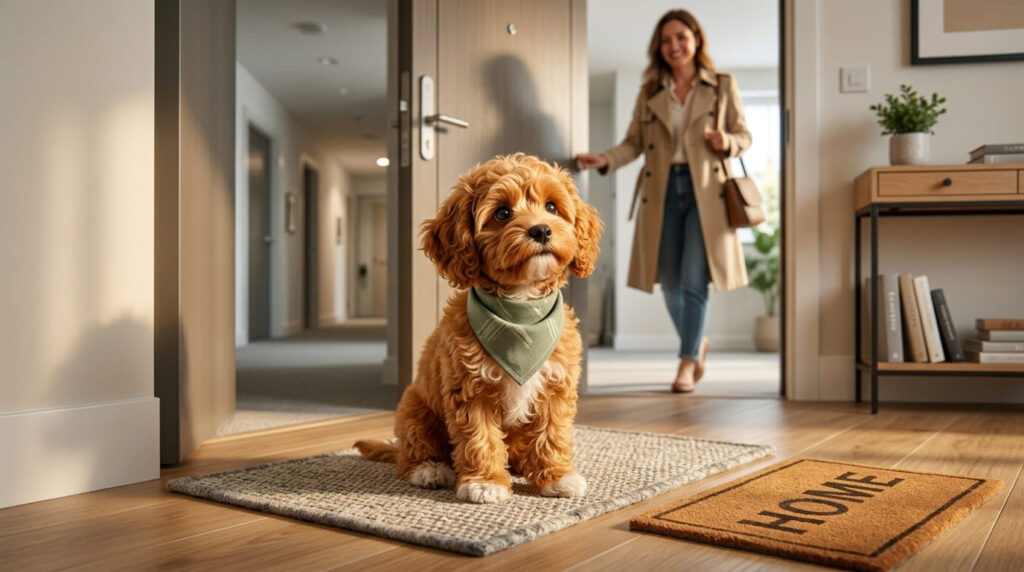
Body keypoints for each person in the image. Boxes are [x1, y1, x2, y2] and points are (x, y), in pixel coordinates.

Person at [576, 9, 752, 393]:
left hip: (707, 192)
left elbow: (744, 135)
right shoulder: (650, 93)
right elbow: (633, 143)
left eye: (681, 37)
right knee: (670, 284)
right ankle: (697, 342)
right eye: (666, 40)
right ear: (659, 47)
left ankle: (687, 362)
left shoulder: (722, 85)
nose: (674, 46)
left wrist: (727, 141)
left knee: (693, 280)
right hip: (662, 191)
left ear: (696, 39)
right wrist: (605, 160)